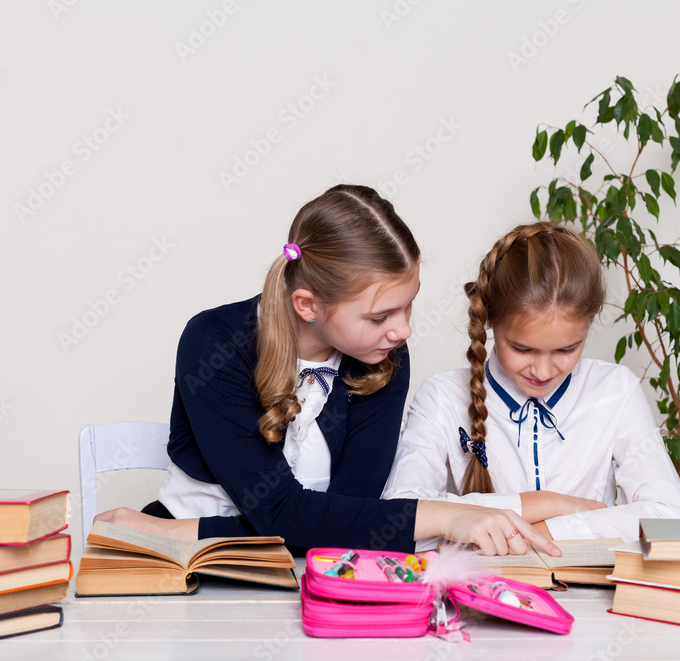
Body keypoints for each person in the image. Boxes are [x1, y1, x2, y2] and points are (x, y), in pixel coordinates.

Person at [96, 185, 559, 557]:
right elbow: (287, 514)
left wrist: (188, 531)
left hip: (264, 554)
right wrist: (445, 516)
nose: (403, 329)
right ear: (308, 305)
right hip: (189, 561)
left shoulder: (385, 357)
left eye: (408, 305)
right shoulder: (214, 343)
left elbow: (350, 512)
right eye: (380, 316)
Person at [383, 221, 680, 544]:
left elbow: (667, 515)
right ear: (490, 320)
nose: (542, 372)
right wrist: (547, 504)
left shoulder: (616, 391)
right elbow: (397, 516)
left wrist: (541, 533)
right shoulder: (441, 398)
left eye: (567, 349)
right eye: (522, 349)